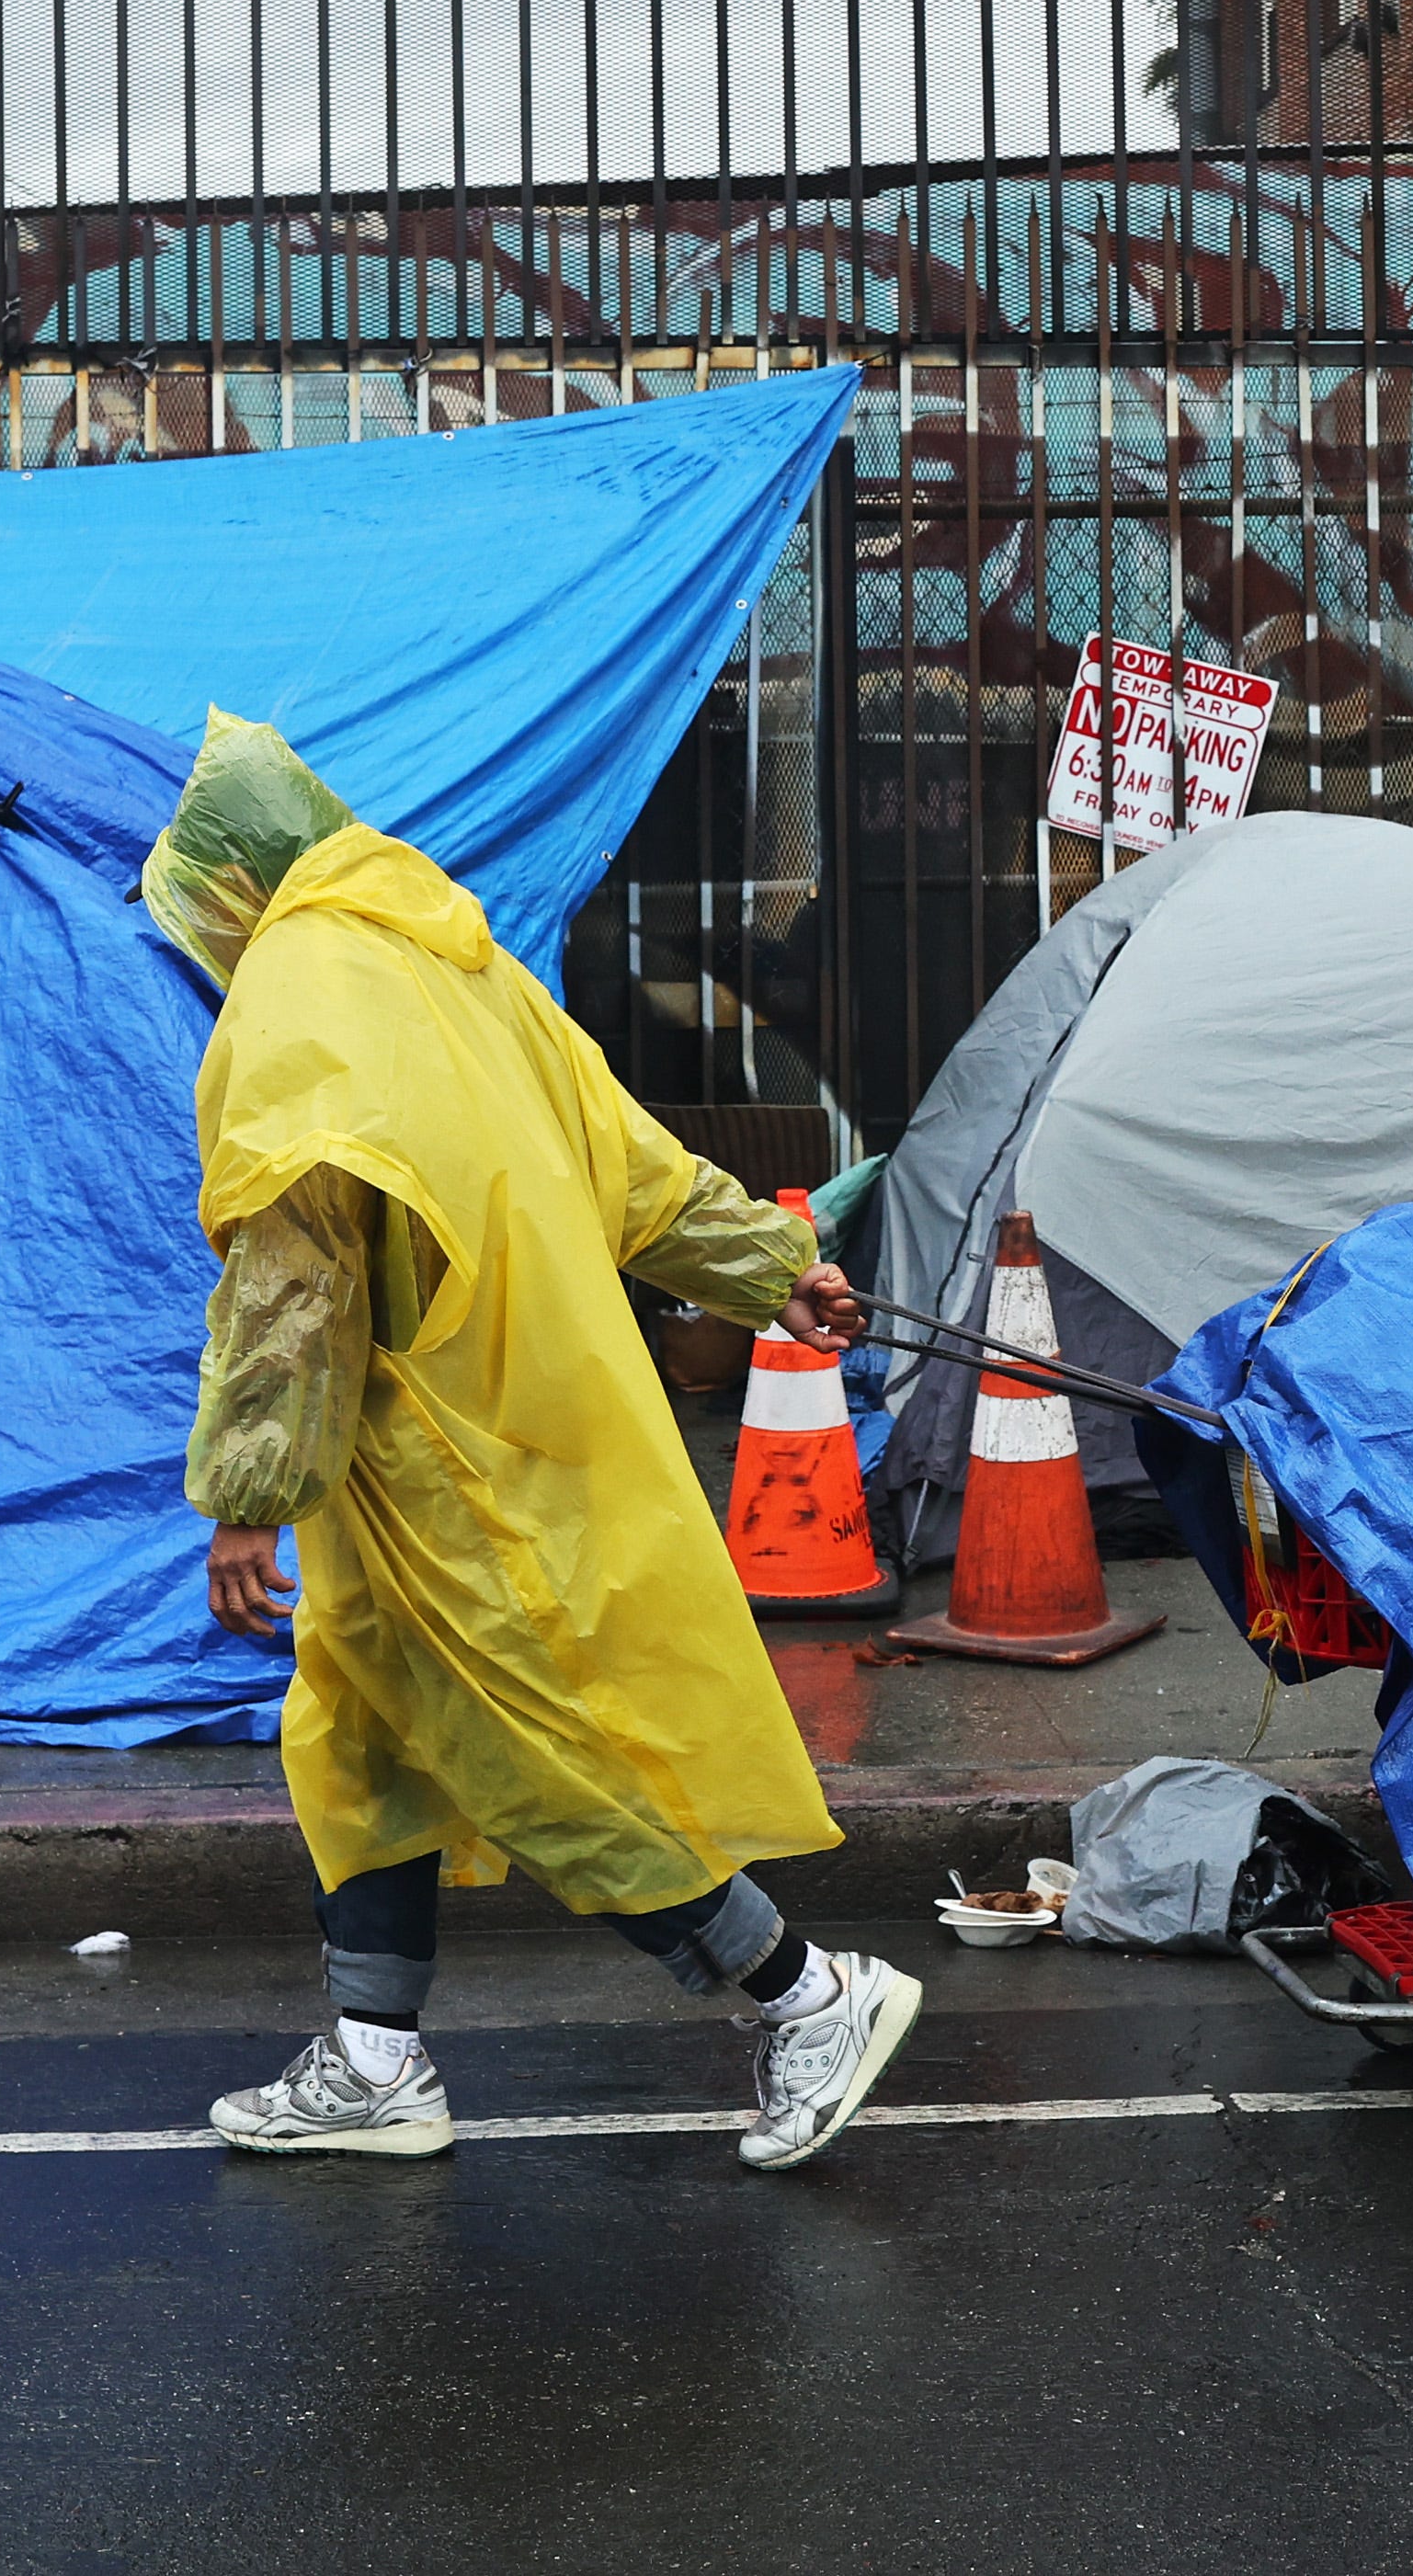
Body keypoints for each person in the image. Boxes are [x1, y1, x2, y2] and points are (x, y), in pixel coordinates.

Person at [142, 713, 920, 2172]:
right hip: (490, 1428)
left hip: (447, 1464)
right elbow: (628, 1162)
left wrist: (246, 1496)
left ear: (232, 886)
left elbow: (296, 1275)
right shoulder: (457, 960)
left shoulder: (296, 998)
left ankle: (807, 1998)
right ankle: (376, 2061)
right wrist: (769, 1262)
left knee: (549, 1762)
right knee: (360, 1737)